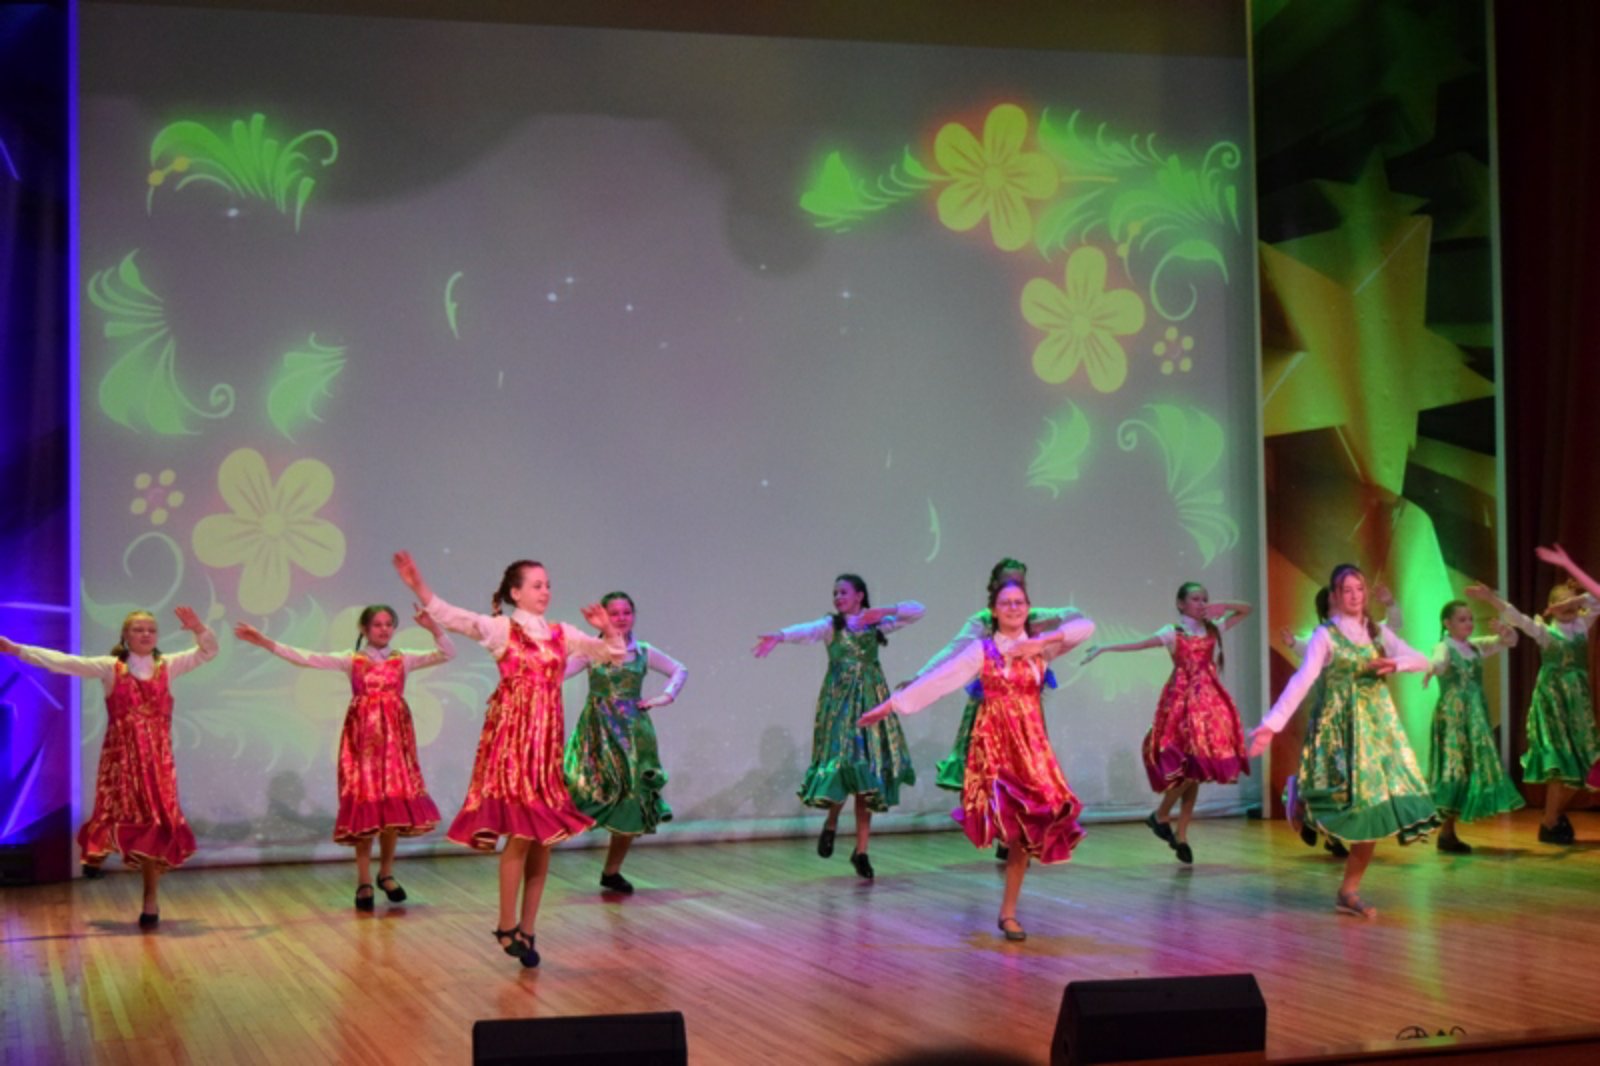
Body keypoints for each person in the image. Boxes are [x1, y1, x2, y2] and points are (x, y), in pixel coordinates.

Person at [393, 550, 620, 967]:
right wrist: (418, 586)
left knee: (543, 839)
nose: (545, 591)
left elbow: (610, 654)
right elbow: (456, 618)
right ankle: (505, 923)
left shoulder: (561, 633)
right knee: (520, 833)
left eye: (548, 585)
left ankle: (528, 929)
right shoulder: (502, 630)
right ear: (516, 593)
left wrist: (607, 630)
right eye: (537, 585)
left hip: (545, 749)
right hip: (514, 747)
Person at [862, 578, 1094, 940]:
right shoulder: (981, 650)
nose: (1013, 608)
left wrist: (1043, 640)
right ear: (993, 611)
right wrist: (892, 705)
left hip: (1032, 748)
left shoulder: (1041, 648)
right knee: (1009, 819)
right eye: (1006, 603)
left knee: (1031, 825)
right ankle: (1007, 908)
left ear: (1028, 608)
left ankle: (1008, 912)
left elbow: (1085, 626)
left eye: (1019, 602)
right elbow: (942, 679)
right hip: (994, 746)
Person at [0, 605, 217, 928]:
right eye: (138, 629)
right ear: (126, 635)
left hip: (157, 762)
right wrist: (17, 650)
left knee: (156, 823)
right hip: (122, 761)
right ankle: (100, 854)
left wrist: (199, 628)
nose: (145, 634)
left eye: (151, 630)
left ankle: (150, 899)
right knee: (125, 818)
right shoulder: (110, 667)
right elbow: (65, 662)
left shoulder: (168, 666)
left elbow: (208, 652)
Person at [1247, 564, 1438, 919]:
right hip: (1338, 731)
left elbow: (1423, 660)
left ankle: (1348, 891)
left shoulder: (1376, 632)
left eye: (1359, 589)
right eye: (1347, 590)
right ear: (1335, 595)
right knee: (1338, 800)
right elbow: (1302, 680)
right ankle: (1301, 793)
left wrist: (1395, 664)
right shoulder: (1325, 635)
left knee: (1373, 811)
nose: (1354, 596)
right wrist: (1271, 725)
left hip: (1377, 733)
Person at [234, 603, 454, 909]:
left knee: (392, 807)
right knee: (366, 808)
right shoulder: (353, 660)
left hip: (394, 744)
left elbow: (447, 653)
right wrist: (265, 642)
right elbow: (306, 658)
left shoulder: (403, 659)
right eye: (377, 624)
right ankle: (364, 880)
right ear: (364, 629)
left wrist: (433, 628)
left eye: (388, 624)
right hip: (363, 744)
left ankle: (386, 873)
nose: (384, 629)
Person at [753, 574, 922, 880]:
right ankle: (831, 822)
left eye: (843, 592)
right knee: (842, 767)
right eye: (835, 593)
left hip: (871, 704)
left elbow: (917, 611)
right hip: (841, 708)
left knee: (866, 776)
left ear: (859, 595)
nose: (837, 597)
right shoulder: (832, 626)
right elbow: (806, 630)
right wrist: (779, 635)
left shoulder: (875, 624)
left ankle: (862, 851)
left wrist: (883, 611)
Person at [1082, 582, 1250, 864]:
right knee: (1190, 768)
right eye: (1195, 599)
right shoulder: (1174, 632)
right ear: (1181, 604)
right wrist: (1105, 648)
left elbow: (1247, 610)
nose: (1201, 603)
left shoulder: (1213, 629)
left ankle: (1180, 833)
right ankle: (1161, 815)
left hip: (1209, 705)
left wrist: (1222, 605)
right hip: (1181, 704)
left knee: (1197, 769)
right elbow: (1140, 644)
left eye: (1204, 599)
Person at [563, 591, 686, 895]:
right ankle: (534, 854)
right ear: (603, 617)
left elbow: (679, 669)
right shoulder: (590, 650)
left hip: (632, 736)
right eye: (614, 613)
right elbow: (558, 674)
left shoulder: (643, 651)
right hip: (596, 733)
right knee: (577, 791)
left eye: (626, 613)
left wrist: (665, 696)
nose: (621, 618)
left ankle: (612, 871)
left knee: (630, 800)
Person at [1467, 559, 1599, 844]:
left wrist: (1577, 597)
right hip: (1552, 703)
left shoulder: (1581, 625)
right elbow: (1517, 618)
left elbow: (1597, 599)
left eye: (1572, 604)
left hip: (1578, 704)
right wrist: (1491, 598)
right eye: (1562, 605)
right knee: (1559, 764)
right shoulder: (1545, 632)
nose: (1569, 609)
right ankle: (1550, 821)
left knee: (1585, 765)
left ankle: (1552, 818)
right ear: (1551, 607)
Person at [1423, 599, 1522, 854]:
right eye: (1462, 619)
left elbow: (1510, 641)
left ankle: (1448, 833)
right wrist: (1432, 669)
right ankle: (1446, 832)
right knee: (1455, 769)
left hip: (1475, 717)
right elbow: (1439, 661)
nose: (1468, 623)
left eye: (1470, 619)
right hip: (1454, 717)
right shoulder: (1443, 646)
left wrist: (1505, 631)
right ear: (1447, 623)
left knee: (1470, 768)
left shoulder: (1475, 646)